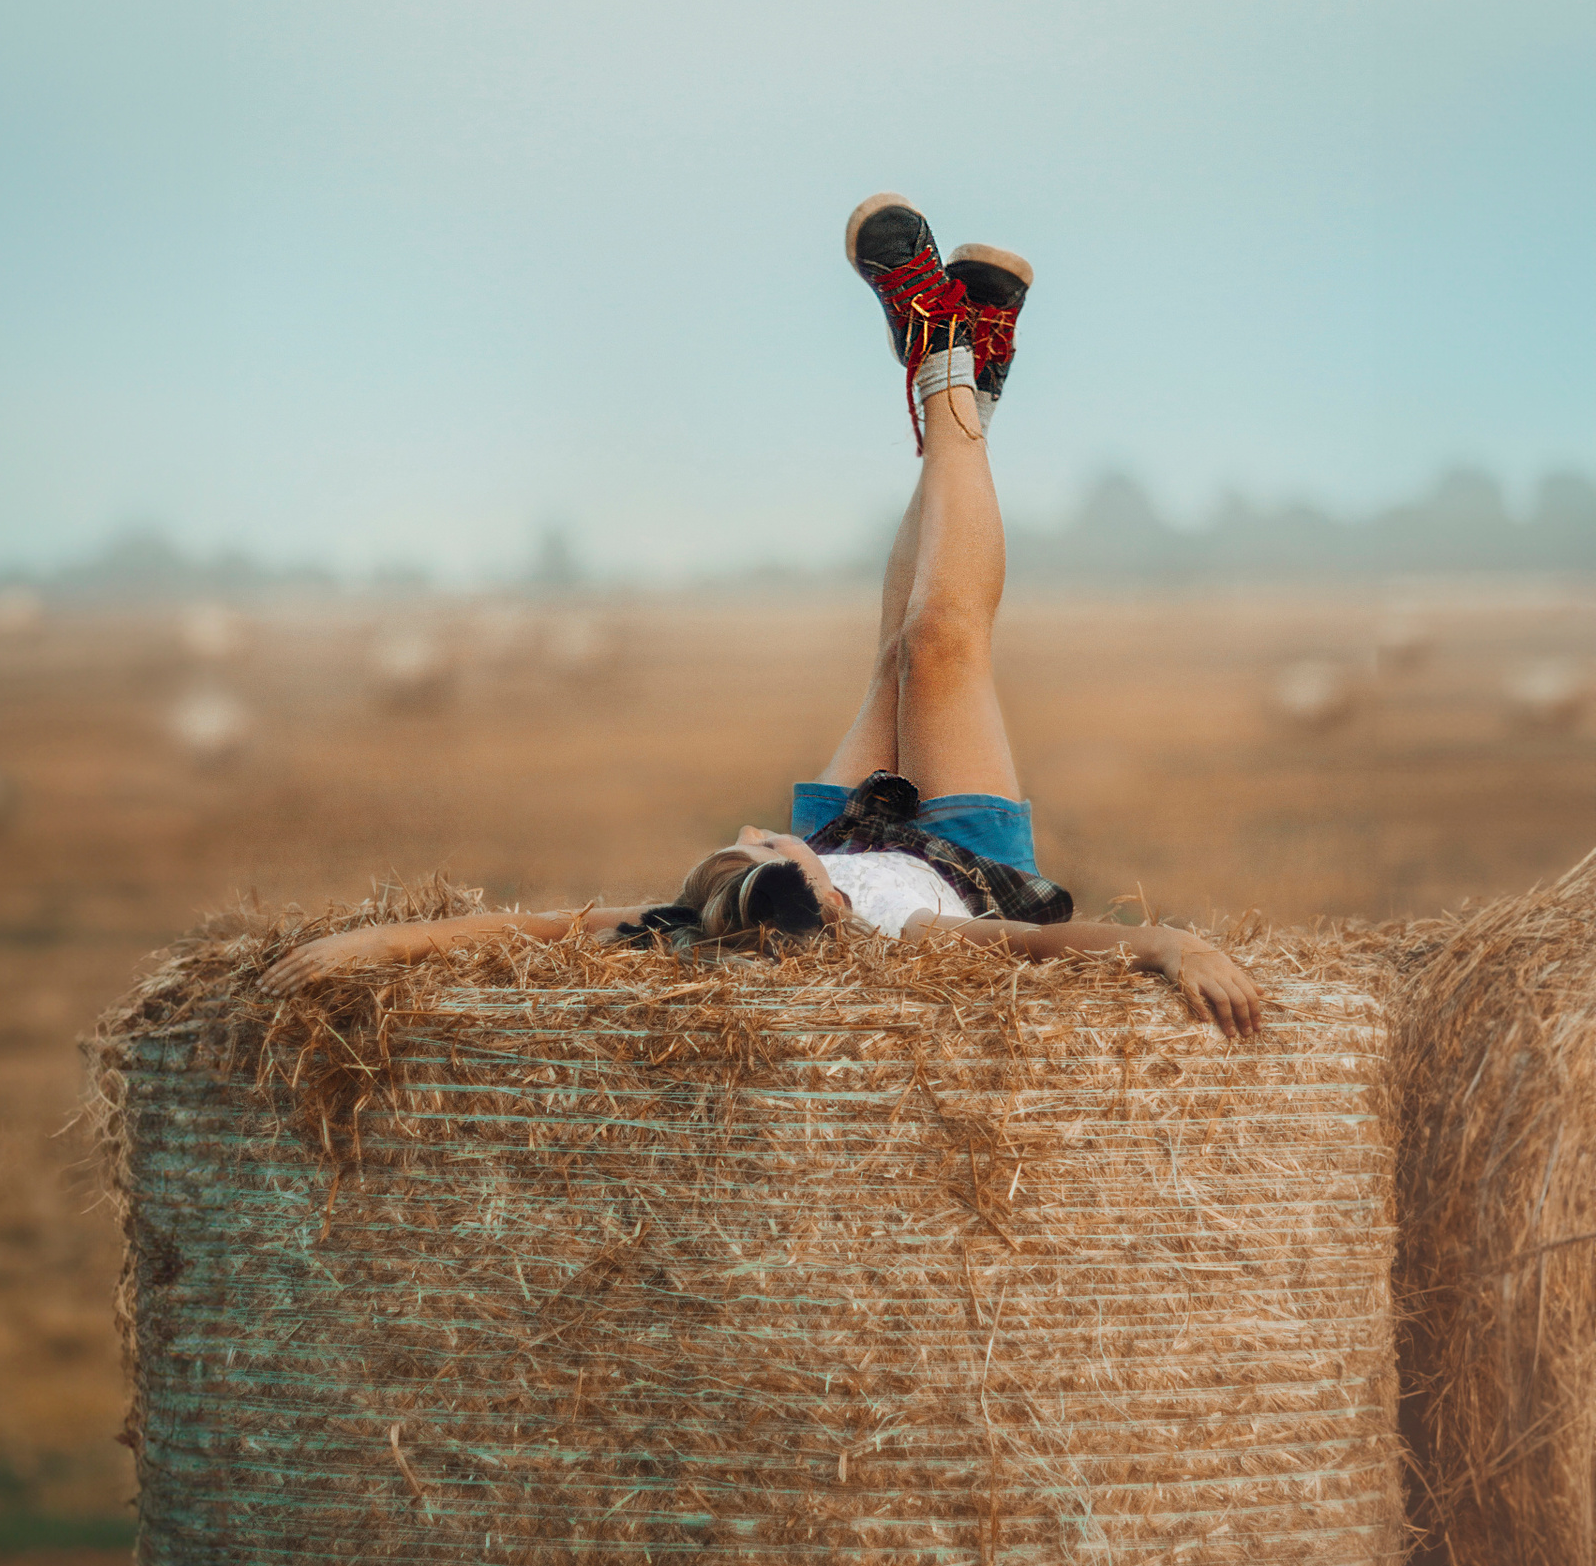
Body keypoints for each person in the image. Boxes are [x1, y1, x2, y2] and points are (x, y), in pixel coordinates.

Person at [262, 195, 1264, 1038]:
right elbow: (1046, 947)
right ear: (823, 897)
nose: (753, 833)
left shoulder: (705, 921)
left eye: (742, 849)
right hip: (968, 853)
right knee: (938, 644)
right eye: (766, 848)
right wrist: (1170, 945)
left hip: (846, 833)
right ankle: (950, 367)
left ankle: (958, 367)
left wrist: (381, 943)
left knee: (890, 662)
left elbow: (537, 930)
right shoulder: (909, 934)